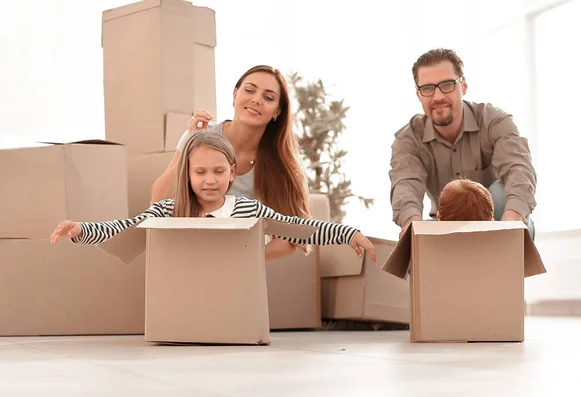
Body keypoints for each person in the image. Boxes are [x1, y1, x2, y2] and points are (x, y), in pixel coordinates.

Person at [51, 132, 376, 262]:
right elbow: (124, 229)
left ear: (232, 174)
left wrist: (349, 233)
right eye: (201, 172)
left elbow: (294, 226)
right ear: (188, 175)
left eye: (219, 172)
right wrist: (81, 230)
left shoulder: (245, 208)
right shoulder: (170, 210)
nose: (210, 180)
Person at [151, 65, 309, 258]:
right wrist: (191, 144)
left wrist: (238, 257)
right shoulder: (202, 133)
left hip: (240, 264)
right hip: (187, 254)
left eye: (268, 97)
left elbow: (288, 238)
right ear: (235, 95)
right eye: (249, 90)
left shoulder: (280, 163)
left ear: (277, 111)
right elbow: (157, 200)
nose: (256, 100)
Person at [389, 48, 537, 239]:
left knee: (500, 192)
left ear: (463, 86)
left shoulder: (494, 121)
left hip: (497, 222)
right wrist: (411, 228)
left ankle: (504, 258)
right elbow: (405, 185)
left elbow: (519, 168)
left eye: (447, 85)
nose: (437, 97)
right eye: (427, 88)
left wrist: (511, 222)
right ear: (418, 94)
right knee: (411, 246)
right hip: (445, 226)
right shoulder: (408, 139)